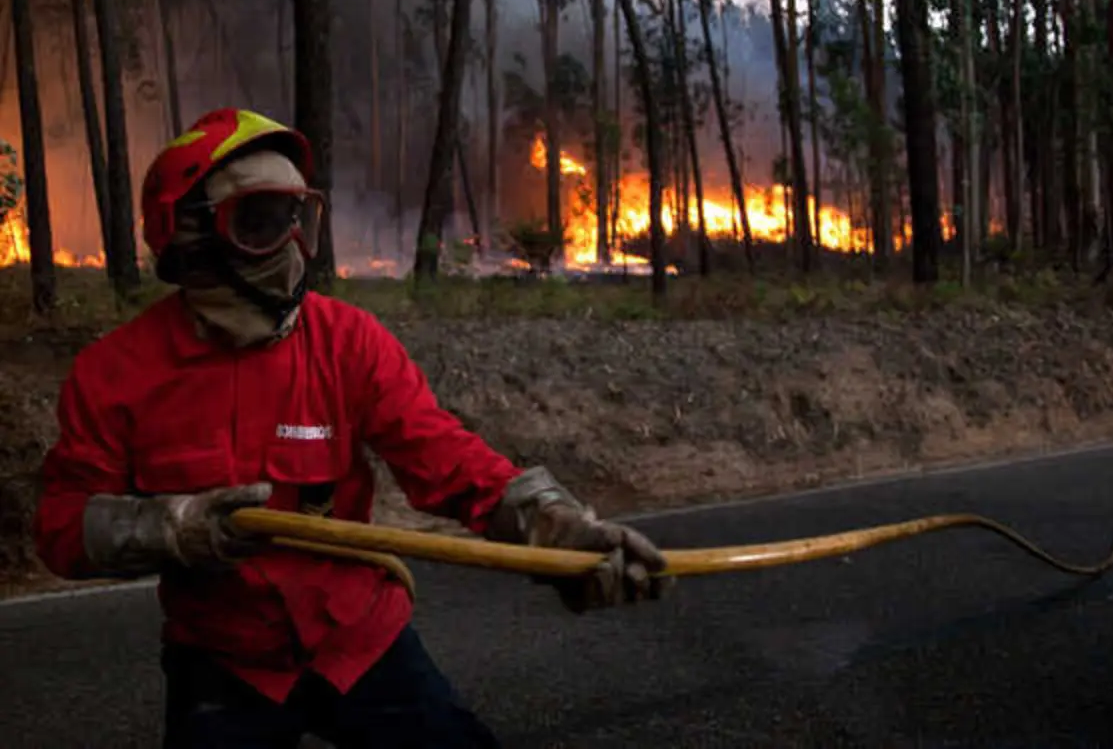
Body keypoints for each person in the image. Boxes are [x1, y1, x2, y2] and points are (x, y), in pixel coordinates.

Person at [32, 107, 671, 749]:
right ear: (186, 237)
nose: (289, 248)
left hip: (359, 641)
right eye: (259, 222)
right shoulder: (114, 374)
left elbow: (447, 458)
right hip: (225, 661)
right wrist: (170, 529)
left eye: (296, 219)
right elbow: (62, 527)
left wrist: (559, 528)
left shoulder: (349, 342)